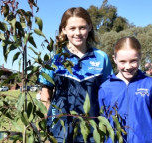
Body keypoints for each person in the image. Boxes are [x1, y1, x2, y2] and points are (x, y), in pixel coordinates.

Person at [38, 7, 113, 142]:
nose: (77, 33)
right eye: (72, 28)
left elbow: (109, 94)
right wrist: (51, 123)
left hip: (92, 132)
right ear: (64, 30)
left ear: (90, 27)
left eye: (82, 27)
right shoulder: (54, 61)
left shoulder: (101, 58)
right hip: (61, 133)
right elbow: (45, 96)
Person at [98, 36, 152, 142]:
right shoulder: (105, 88)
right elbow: (102, 122)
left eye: (133, 61)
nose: (128, 67)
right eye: (122, 62)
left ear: (140, 57)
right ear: (114, 59)